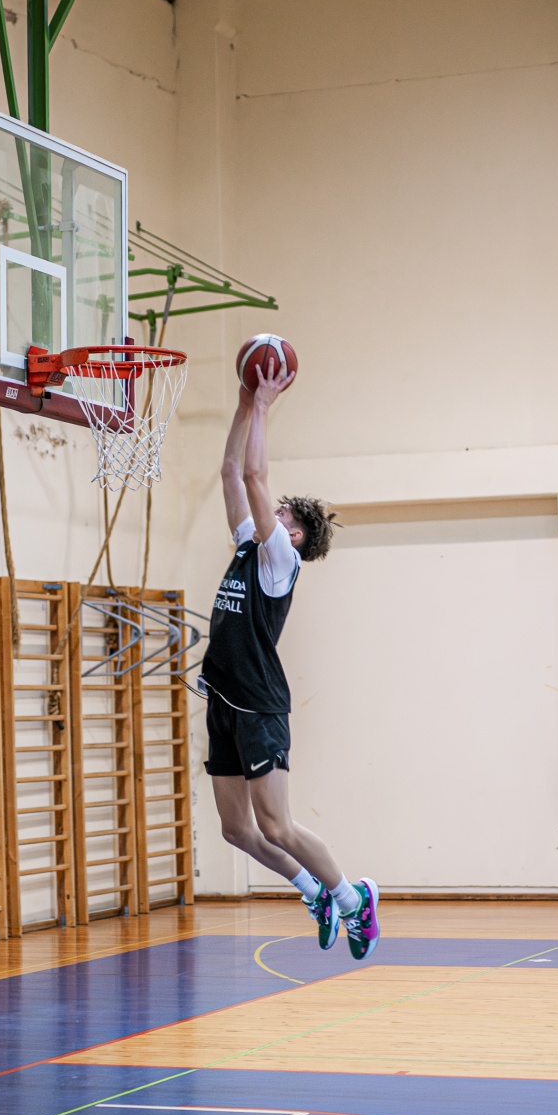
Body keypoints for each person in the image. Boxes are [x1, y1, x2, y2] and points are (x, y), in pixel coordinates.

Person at [200, 359, 380, 961]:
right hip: (225, 698)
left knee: (277, 825)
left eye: (280, 515)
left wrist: (265, 405)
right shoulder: (248, 546)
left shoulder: (280, 559)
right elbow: (231, 470)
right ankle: (314, 892)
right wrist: (242, 402)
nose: (269, 514)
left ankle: (352, 898)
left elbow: (254, 471)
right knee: (236, 829)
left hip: (258, 703)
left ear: (294, 535)